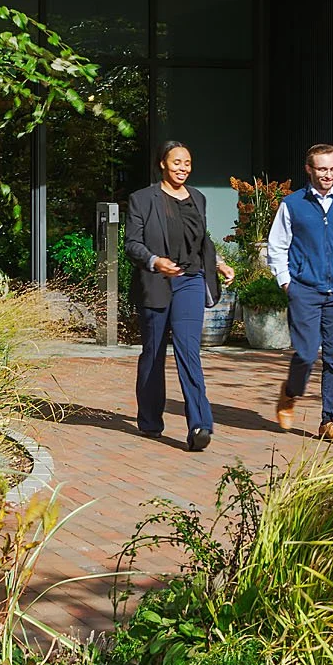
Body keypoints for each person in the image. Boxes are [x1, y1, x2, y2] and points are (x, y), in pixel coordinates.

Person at [126, 141, 234, 450]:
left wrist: (219, 263)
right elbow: (132, 244)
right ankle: (149, 421)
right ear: (162, 163)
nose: (182, 168)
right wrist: (155, 261)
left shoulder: (197, 198)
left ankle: (200, 425)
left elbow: (201, 240)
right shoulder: (142, 199)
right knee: (154, 353)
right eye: (176, 162)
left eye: (187, 162)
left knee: (189, 351)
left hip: (190, 280)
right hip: (156, 281)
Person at [263, 142, 333, 443]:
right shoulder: (292, 205)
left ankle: (328, 421)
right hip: (304, 291)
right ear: (309, 169)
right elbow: (277, 246)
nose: (328, 174)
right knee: (306, 354)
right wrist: (286, 283)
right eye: (322, 169)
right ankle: (290, 392)